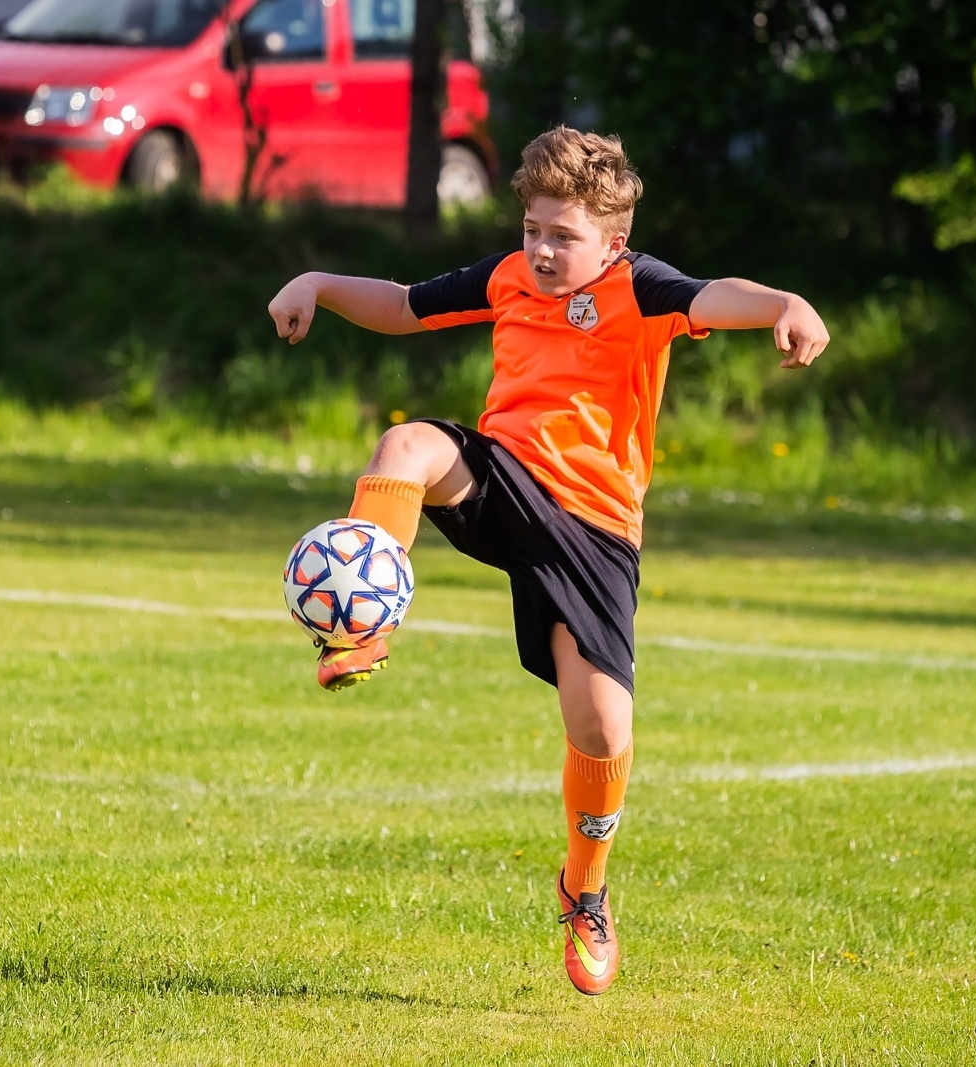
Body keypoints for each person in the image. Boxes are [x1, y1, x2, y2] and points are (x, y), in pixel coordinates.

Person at [266, 126, 830, 996]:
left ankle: (585, 887)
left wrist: (785, 302)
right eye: (533, 230)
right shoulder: (507, 278)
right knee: (407, 443)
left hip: (596, 530)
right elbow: (405, 303)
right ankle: (361, 627)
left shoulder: (638, 288)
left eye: (562, 236)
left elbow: (715, 295)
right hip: (505, 479)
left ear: (611, 241)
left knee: (602, 728)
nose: (541, 250)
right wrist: (316, 284)